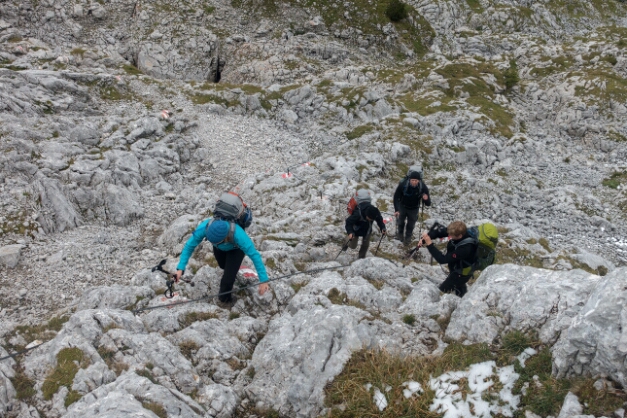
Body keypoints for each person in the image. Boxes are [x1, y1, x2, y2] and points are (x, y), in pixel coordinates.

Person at [174, 218, 269, 309]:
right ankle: (230, 269)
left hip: (236, 250)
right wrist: (180, 268)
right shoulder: (205, 227)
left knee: (227, 281)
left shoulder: (238, 234)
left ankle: (225, 301)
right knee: (222, 265)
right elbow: (189, 246)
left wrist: (263, 279)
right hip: (219, 248)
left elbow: (254, 255)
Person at [421, 221, 476, 298]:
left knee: (442, 291)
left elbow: (442, 259)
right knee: (460, 288)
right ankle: (462, 298)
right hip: (458, 269)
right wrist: (427, 237)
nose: (449, 236)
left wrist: (429, 244)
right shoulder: (459, 231)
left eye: (451, 235)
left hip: (460, 274)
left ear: (459, 236)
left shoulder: (465, 249)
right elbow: (444, 232)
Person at [394, 171, 431, 245]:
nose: (414, 182)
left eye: (416, 180)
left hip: (414, 209)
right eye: (412, 180)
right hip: (402, 206)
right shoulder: (403, 185)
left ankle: (408, 238)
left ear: (419, 180)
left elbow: (428, 204)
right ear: (409, 180)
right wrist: (397, 210)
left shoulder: (423, 187)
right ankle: (400, 235)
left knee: (411, 225)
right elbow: (396, 197)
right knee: (400, 222)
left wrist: (426, 199)